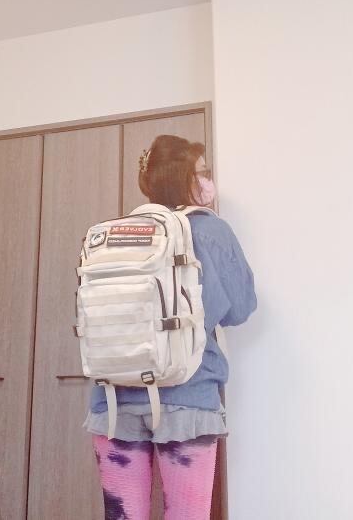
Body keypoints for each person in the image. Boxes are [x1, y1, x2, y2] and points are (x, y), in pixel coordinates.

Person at [82, 134, 257, 519]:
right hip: (187, 397)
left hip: (113, 400)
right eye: (202, 172)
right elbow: (241, 307)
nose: (208, 180)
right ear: (184, 177)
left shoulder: (112, 234)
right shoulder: (210, 230)